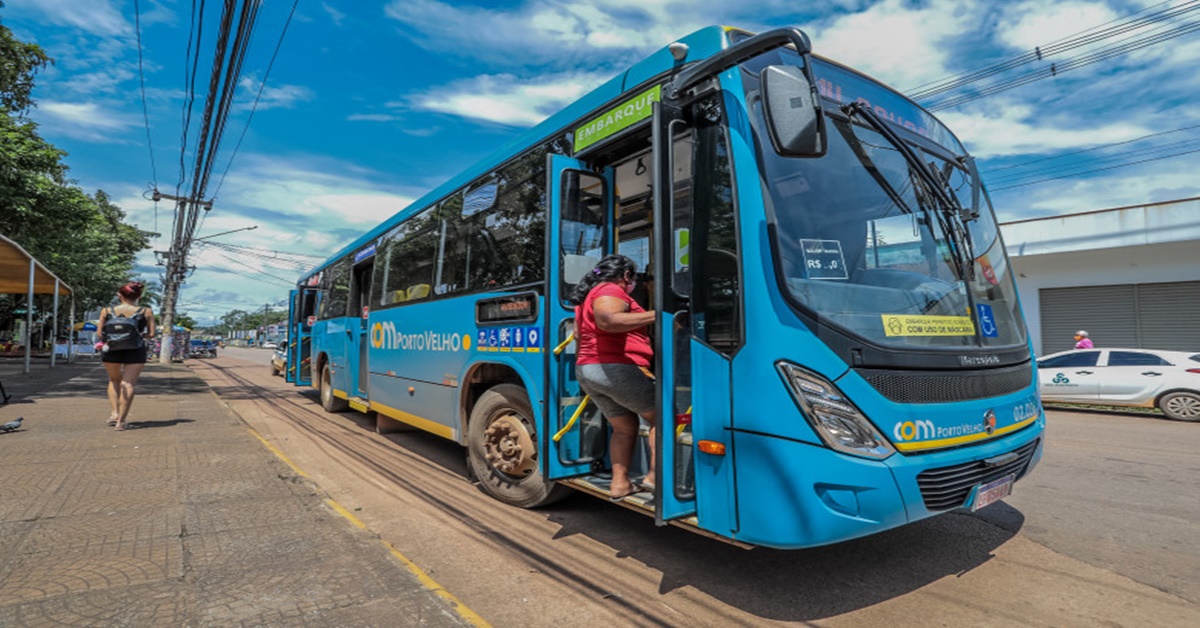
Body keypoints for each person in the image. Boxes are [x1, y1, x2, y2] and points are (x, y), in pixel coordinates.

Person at [568, 254, 658, 500]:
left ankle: (620, 485)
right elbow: (609, 320)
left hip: (589, 370)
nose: (634, 285)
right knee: (661, 420)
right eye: (634, 279)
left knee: (624, 427)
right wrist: (660, 314)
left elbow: (578, 335)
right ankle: (653, 478)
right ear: (626, 275)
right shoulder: (610, 289)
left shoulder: (587, 297)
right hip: (615, 368)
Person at [97, 281, 156, 431]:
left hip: (111, 349)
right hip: (135, 350)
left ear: (119, 295)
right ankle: (121, 422)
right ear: (139, 296)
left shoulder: (106, 311)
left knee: (114, 380)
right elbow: (151, 334)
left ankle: (114, 413)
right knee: (128, 384)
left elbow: (99, 333)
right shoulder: (146, 311)